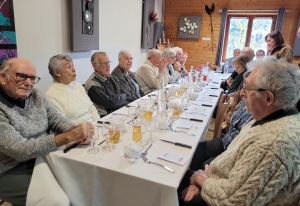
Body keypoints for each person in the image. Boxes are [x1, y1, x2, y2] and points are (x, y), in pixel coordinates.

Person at [181, 56, 300, 206]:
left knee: (174, 184)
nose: (242, 93)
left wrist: (201, 181)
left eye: (247, 88)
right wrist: (201, 178)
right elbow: (231, 158)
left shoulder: (274, 143)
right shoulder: (270, 118)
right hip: (218, 181)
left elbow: (234, 200)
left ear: (268, 98)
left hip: (221, 197)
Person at [0, 58, 94, 205]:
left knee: (81, 181)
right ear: (3, 77)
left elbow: (56, 119)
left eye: (32, 78)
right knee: (58, 200)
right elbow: (19, 150)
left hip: (43, 156)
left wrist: (74, 129)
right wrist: (66, 138)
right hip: (11, 168)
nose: (28, 82)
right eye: (21, 76)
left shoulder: (36, 95)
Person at [45, 54, 100, 124]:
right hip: (76, 132)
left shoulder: (77, 85)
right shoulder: (51, 95)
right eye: (69, 66)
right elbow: (62, 124)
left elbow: (91, 107)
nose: (74, 69)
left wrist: (97, 124)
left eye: (73, 65)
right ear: (57, 72)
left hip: (94, 126)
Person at [84, 51, 132, 117]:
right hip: (106, 117)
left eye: (109, 62)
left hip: (120, 112)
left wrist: (122, 98)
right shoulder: (92, 84)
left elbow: (127, 96)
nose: (108, 65)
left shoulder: (113, 78)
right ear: (95, 66)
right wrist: (123, 97)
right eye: (104, 63)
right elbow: (110, 103)